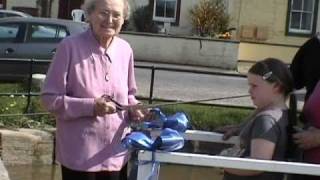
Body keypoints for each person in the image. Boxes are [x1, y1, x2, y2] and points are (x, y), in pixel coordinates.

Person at [41, 0, 148, 179]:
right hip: (80, 157)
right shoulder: (69, 47)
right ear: (90, 14)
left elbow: (129, 95)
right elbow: (49, 99)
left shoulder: (125, 50)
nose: (110, 20)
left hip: (116, 154)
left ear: (124, 20)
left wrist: (135, 108)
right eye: (103, 13)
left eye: (117, 15)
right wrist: (91, 106)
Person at [218, 58, 294, 180]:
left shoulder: (266, 120)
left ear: (277, 87)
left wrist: (219, 163)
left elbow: (256, 165)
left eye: (255, 86)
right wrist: (240, 127)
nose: (249, 91)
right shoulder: (282, 114)